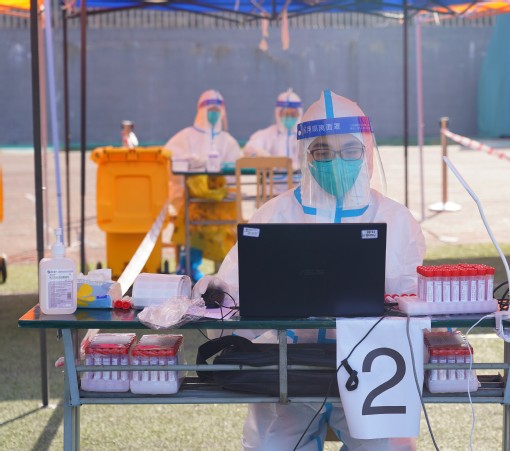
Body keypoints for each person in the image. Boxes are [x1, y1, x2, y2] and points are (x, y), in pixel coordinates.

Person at [194, 90, 425, 450]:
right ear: (306, 154)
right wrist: (214, 293)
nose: (336, 161)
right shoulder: (274, 214)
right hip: (287, 366)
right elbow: (231, 297)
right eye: (323, 151)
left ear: (366, 150)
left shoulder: (396, 220)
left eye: (349, 150)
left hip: (370, 371)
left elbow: (410, 300)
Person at [165, 89, 242, 281]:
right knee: (195, 215)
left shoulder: (228, 141)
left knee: (216, 218)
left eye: (217, 110)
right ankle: (189, 266)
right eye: (210, 109)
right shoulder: (186, 137)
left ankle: (224, 270)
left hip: (221, 202)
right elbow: (168, 158)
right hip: (193, 200)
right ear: (201, 110)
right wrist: (193, 161)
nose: (214, 114)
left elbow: (235, 171)